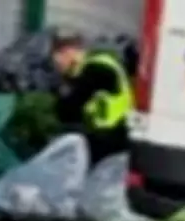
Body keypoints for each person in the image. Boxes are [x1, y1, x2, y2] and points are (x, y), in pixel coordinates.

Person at [52, 33, 134, 165]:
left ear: (69, 51)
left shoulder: (98, 68)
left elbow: (68, 110)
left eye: (59, 57)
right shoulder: (93, 67)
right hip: (110, 140)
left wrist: (63, 82)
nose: (58, 64)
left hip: (108, 142)